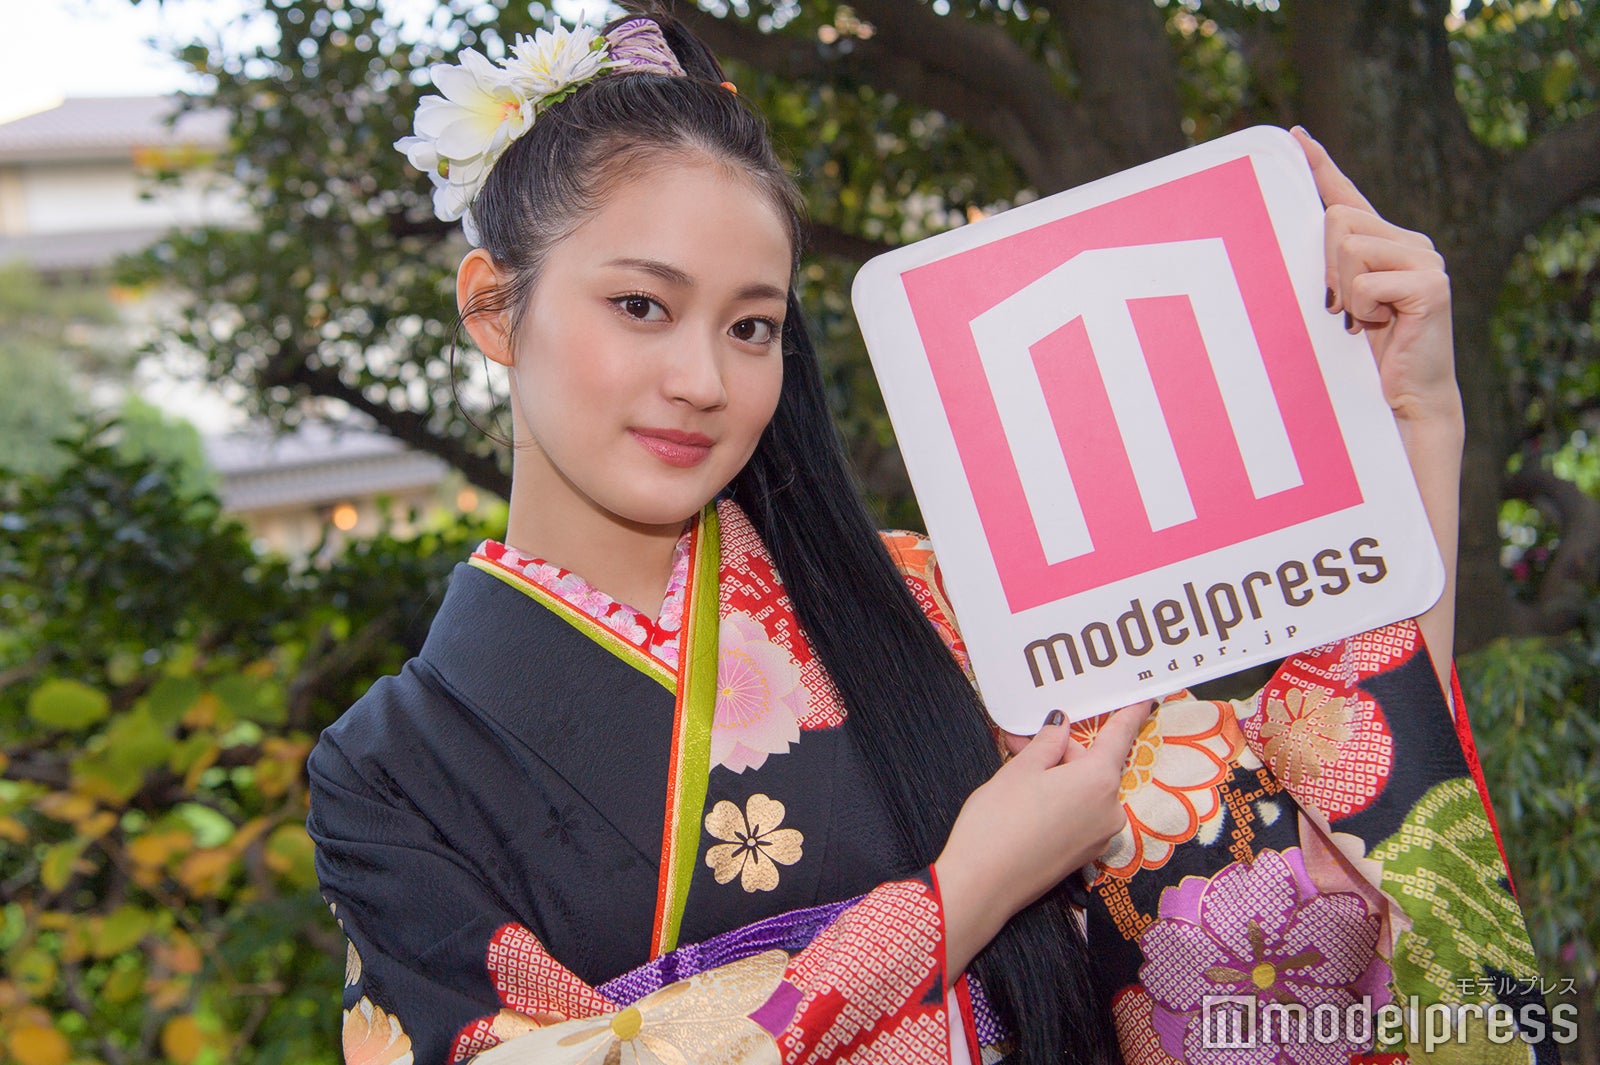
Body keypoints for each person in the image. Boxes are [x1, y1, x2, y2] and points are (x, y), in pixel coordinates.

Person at [308, 10, 1547, 1065]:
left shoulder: (938, 605)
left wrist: (1412, 425)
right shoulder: (386, 775)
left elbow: (1297, 885)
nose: (702, 380)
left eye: (751, 327)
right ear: (493, 306)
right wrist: (962, 898)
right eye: (641, 305)